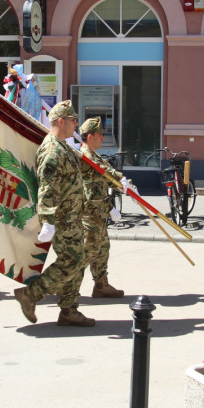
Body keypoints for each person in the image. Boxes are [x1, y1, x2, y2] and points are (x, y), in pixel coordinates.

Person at [13, 100, 94, 327]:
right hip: (62, 218)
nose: (76, 124)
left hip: (74, 216)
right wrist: (48, 219)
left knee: (78, 260)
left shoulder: (64, 146)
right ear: (61, 121)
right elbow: (47, 186)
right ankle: (30, 294)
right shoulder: (52, 150)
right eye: (73, 120)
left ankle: (69, 309)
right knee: (72, 259)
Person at [79, 116, 130, 298]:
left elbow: (100, 187)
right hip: (88, 214)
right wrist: (122, 180)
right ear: (90, 136)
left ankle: (101, 285)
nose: (102, 137)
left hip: (98, 212)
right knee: (86, 252)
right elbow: (104, 174)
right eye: (100, 134)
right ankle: (62, 286)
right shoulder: (85, 155)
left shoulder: (94, 155)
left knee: (102, 250)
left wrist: (109, 207)